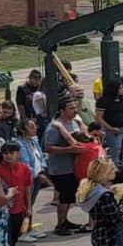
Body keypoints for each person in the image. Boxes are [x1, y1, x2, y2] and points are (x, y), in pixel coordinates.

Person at [44, 100, 90, 236]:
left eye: (75, 108)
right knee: (64, 197)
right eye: (71, 108)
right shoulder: (54, 127)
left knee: (69, 197)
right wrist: (69, 149)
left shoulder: (75, 122)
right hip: (60, 168)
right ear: (62, 110)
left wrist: (81, 122)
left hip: (73, 167)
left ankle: (65, 220)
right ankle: (60, 224)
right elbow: (48, 148)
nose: (75, 110)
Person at [0, 142, 32, 246]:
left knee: (14, 237)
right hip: (2, 212)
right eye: (5, 153)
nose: (8, 156)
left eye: (11, 153)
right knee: (5, 239)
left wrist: (29, 207)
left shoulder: (24, 169)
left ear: (18, 153)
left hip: (19, 209)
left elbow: (28, 188)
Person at [12, 118, 47, 243]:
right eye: (31, 127)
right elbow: (25, 164)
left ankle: (29, 228)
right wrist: (37, 175)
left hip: (37, 177)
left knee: (30, 204)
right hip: (28, 179)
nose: (35, 128)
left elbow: (41, 156)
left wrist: (42, 170)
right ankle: (22, 232)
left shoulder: (34, 141)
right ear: (23, 130)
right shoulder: (19, 144)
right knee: (25, 205)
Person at [96, 78, 123, 179]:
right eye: (120, 88)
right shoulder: (103, 101)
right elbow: (98, 117)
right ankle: (114, 175)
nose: (122, 90)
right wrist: (110, 128)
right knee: (115, 153)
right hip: (114, 131)